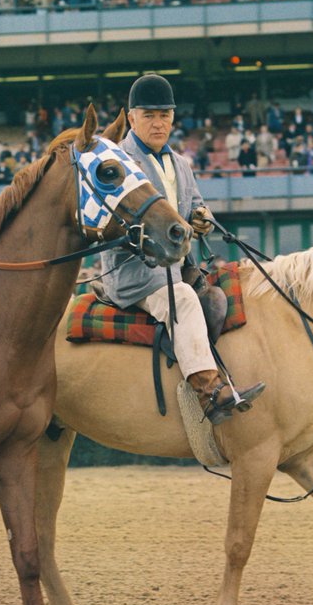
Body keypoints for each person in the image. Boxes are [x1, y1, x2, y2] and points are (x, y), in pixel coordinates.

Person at [100, 74, 264, 424]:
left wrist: (202, 219)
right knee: (186, 300)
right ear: (131, 118)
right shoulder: (119, 162)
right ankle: (210, 393)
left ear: (173, 118)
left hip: (178, 266)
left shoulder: (181, 164)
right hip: (136, 273)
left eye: (165, 115)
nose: (158, 123)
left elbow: (195, 209)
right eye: (149, 115)